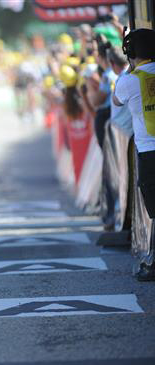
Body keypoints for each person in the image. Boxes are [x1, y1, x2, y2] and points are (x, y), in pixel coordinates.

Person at [113, 28, 155, 281]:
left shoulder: (129, 81)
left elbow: (117, 101)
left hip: (149, 152)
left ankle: (152, 262)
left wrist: (129, 69)